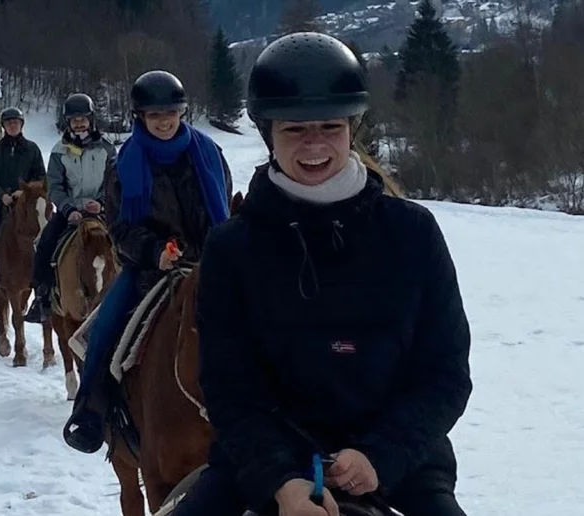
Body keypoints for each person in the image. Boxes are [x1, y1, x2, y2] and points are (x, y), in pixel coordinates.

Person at [174, 32, 473, 516]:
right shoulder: (232, 249)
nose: (314, 145)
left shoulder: (414, 235)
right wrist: (282, 479)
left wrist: (380, 454)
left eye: (329, 127)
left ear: (351, 130)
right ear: (268, 134)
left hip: (400, 467)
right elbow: (230, 387)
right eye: (294, 130)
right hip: (263, 464)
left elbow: (445, 374)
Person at [62, 70, 234, 454]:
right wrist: (155, 251)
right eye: (154, 114)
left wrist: (216, 248)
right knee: (106, 325)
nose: (164, 120)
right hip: (151, 270)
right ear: (140, 117)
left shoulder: (209, 154)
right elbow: (120, 227)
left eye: (170, 112)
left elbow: (225, 203)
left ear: (182, 112)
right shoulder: (126, 163)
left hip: (210, 263)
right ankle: (90, 409)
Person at [24, 93, 118, 323]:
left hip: (102, 211)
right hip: (70, 213)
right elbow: (54, 186)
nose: (79, 123)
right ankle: (42, 297)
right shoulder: (59, 151)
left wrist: (102, 203)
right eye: (74, 120)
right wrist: (68, 209)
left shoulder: (107, 148)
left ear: (91, 119)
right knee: (44, 244)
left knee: (126, 243)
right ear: (68, 122)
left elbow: (114, 181)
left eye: (83, 119)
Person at [0, 106, 47, 293]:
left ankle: (46, 275)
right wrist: (2, 195)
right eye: (9, 123)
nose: (13, 126)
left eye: (16, 122)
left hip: (28, 202)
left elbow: (40, 175)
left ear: (21, 125)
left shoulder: (32, 149)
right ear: (3, 126)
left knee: (46, 231)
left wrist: (24, 192)